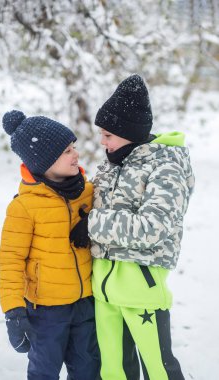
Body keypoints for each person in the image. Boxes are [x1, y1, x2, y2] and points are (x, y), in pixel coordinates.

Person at [88, 74, 195, 380]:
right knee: (114, 369)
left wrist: (90, 225)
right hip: (105, 289)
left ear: (129, 133)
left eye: (108, 134)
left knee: (158, 369)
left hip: (141, 290)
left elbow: (153, 226)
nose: (102, 141)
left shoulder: (166, 166)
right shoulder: (114, 164)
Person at [0, 110, 100, 380]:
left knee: (89, 371)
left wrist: (91, 220)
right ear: (43, 160)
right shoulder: (24, 206)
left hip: (84, 303)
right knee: (44, 371)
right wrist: (13, 310)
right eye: (67, 150)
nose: (76, 154)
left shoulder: (88, 192)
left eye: (74, 147)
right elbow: (10, 259)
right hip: (45, 312)